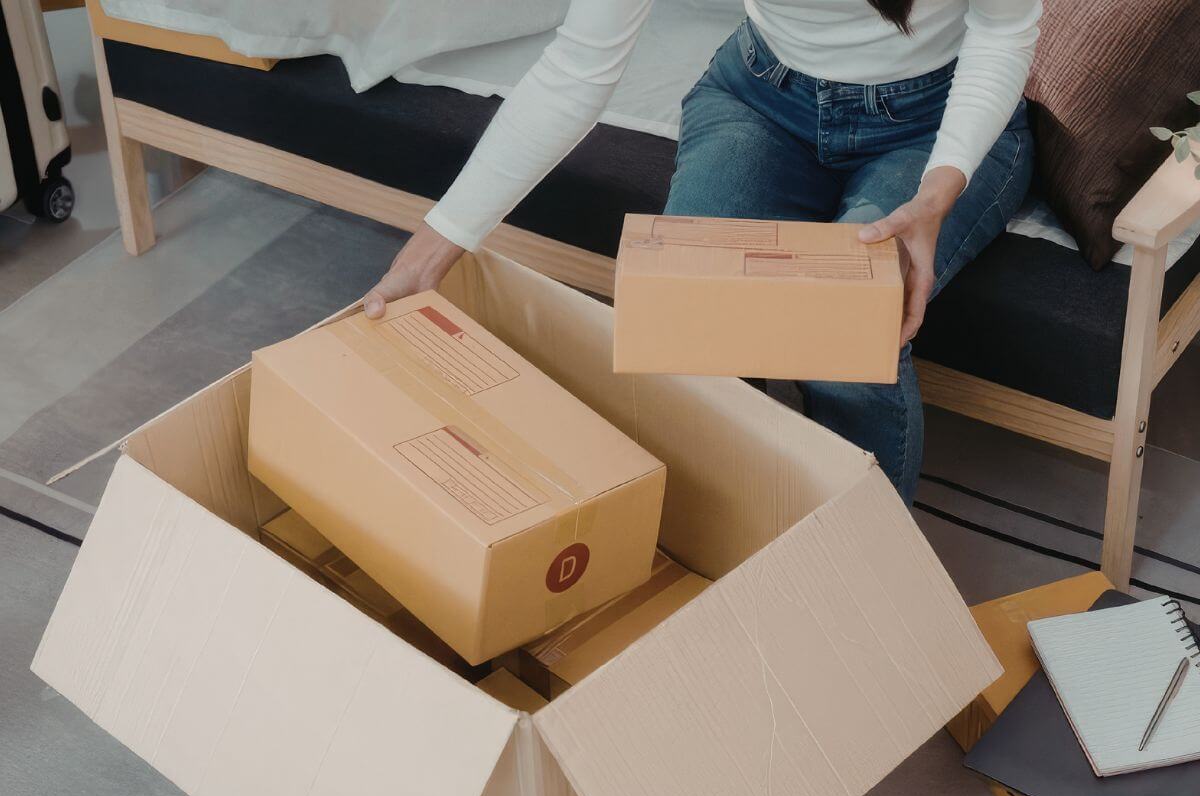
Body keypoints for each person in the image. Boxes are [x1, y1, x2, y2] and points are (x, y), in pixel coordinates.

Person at [362, 0, 1041, 506]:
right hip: (762, 96)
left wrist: (941, 188)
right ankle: (727, 544)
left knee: (846, 338)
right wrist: (425, 257)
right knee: (695, 325)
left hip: (936, 121)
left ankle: (859, 569)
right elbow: (575, 69)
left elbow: (1005, 31)